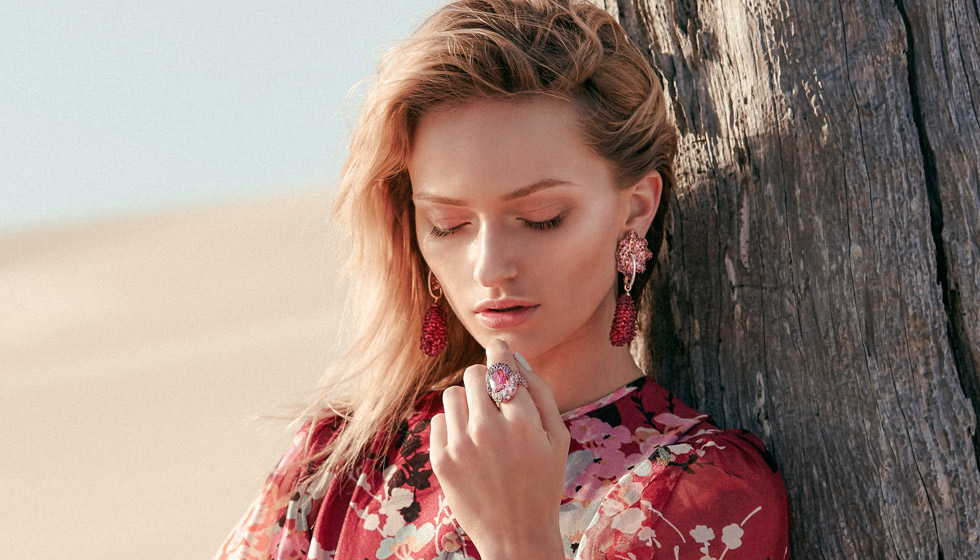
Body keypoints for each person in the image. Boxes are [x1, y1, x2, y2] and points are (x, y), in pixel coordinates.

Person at [216, 0, 790, 558]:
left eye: (541, 219)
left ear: (635, 208)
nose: (489, 266)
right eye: (449, 224)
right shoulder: (337, 463)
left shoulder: (701, 492)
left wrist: (520, 542)